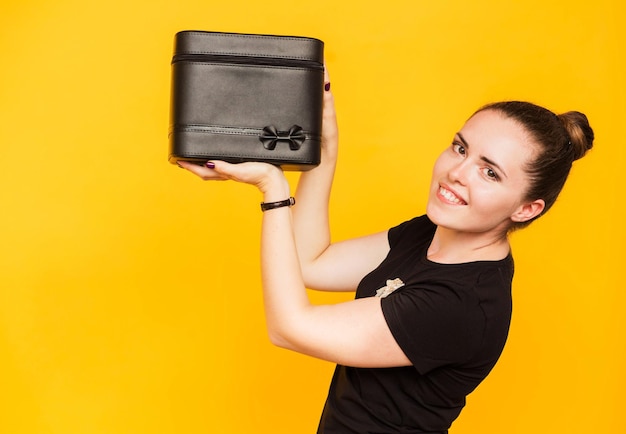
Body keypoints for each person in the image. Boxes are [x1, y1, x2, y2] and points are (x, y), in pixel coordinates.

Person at [178, 68, 594, 433]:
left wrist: (273, 189)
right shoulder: (430, 233)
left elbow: (288, 328)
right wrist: (324, 139)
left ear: (527, 208)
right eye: (460, 148)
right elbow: (312, 263)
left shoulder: (462, 304)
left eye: (489, 172)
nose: (457, 172)